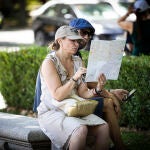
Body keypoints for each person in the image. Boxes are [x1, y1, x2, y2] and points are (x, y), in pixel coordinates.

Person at [37, 25, 110, 150]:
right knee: (80, 129)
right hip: (53, 111)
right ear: (60, 40)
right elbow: (58, 95)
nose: (76, 44)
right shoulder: (49, 62)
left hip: (74, 109)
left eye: (77, 41)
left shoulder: (77, 61)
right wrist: (74, 78)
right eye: (72, 40)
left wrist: (98, 88)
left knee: (104, 127)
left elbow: (83, 93)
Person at [69, 18, 128, 150]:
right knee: (107, 103)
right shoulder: (66, 55)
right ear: (71, 32)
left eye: (89, 34)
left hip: (75, 98)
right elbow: (78, 89)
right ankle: (120, 146)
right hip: (64, 104)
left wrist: (111, 92)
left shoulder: (77, 55)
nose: (87, 37)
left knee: (107, 101)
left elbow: (85, 84)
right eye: (83, 32)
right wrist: (109, 96)